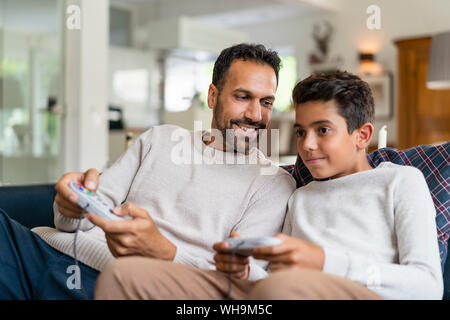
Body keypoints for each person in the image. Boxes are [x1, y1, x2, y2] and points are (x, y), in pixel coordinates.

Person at [94, 71, 443, 300]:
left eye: (322, 130)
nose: (307, 145)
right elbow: (266, 276)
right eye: (301, 131)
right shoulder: (300, 195)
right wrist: (244, 268)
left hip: (355, 293)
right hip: (274, 292)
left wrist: (323, 261)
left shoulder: (400, 180)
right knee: (125, 275)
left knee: (282, 287)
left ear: (362, 135)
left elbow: (427, 286)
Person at [0, 43, 296, 299]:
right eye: (243, 97)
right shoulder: (160, 138)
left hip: (117, 285)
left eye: (266, 102)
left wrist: (164, 252)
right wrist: (70, 207)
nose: (256, 115)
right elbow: (77, 220)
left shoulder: (273, 183)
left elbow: (239, 285)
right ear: (213, 96)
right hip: (42, 252)